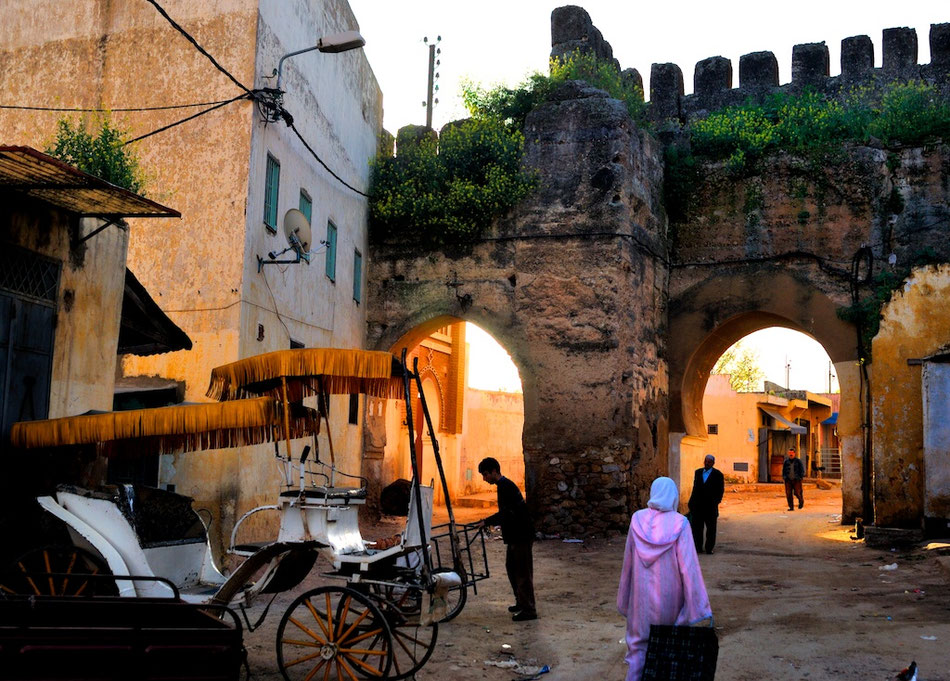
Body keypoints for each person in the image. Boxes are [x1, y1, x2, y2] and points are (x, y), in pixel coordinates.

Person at [617, 477, 713, 681]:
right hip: (670, 599)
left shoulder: (636, 519)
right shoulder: (680, 523)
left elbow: (628, 563)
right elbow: (688, 567)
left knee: (638, 647)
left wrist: (625, 600)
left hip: (640, 599)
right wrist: (696, 604)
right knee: (669, 648)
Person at [478, 457, 537, 621]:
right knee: (512, 568)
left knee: (522, 572)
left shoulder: (506, 486)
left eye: (485, 474)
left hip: (521, 535)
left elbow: (506, 513)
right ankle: (521, 602)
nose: (484, 479)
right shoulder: (503, 485)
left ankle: (529, 610)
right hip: (515, 535)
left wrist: (487, 521)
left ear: (494, 471)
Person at [687, 454, 725, 554]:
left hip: (711, 507)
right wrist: (691, 503)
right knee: (697, 529)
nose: (707, 463)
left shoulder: (718, 475)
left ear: (713, 463)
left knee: (711, 529)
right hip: (698, 506)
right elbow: (695, 489)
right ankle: (698, 547)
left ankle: (709, 548)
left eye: (709, 462)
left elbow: (720, 490)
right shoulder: (698, 472)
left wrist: (716, 501)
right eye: (706, 461)